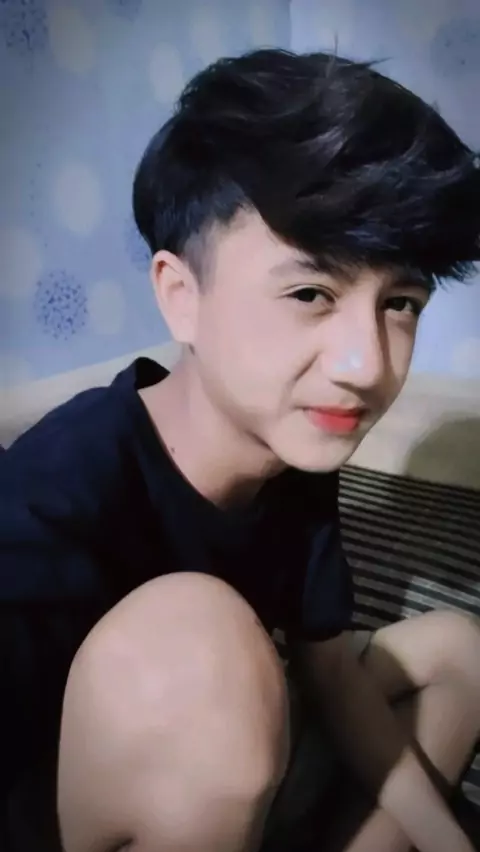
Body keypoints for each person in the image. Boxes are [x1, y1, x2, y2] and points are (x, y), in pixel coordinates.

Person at [1, 48, 480, 852]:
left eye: (399, 303)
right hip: (76, 805)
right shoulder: (57, 486)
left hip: (240, 767)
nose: (366, 365)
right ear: (180, 296)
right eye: (311, 293)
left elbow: (331, 675)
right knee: (206, 644)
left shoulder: (296, 449)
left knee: (458, 653)